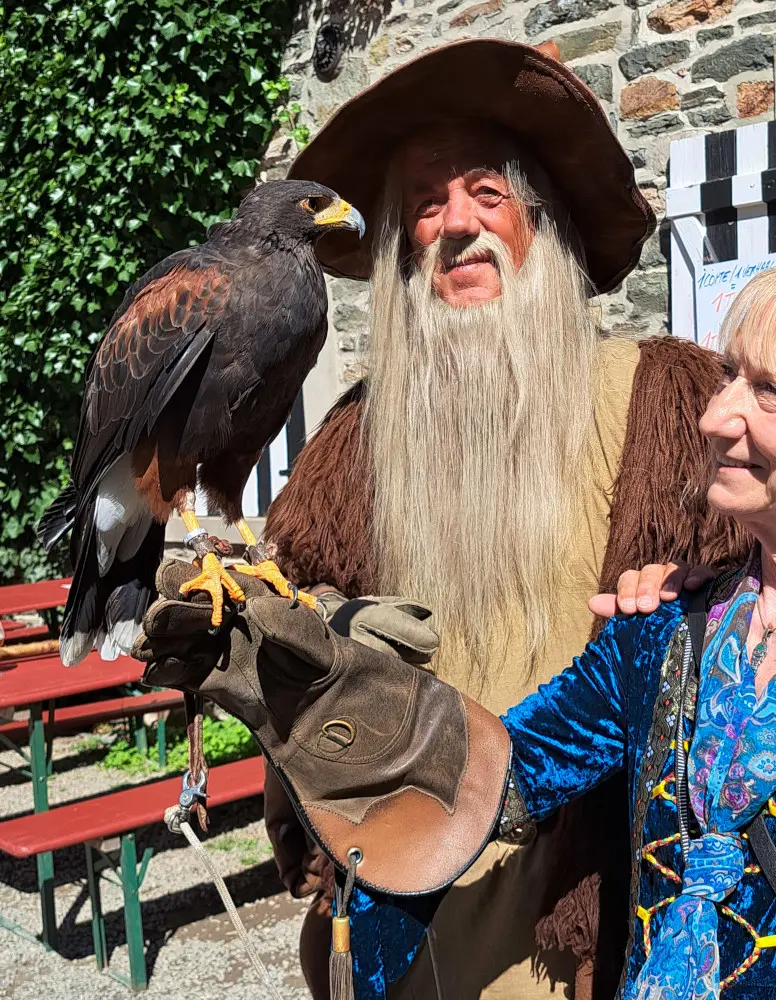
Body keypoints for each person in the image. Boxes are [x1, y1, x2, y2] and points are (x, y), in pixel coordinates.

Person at [136, 244, 776, 999]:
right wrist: (314, 688)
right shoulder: (665, 630)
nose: (716, 414)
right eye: (730, 373)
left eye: (770, 392)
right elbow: (492, 773)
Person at [256, 36, 745, 1000]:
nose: (455, 226)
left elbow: (757, 624)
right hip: (405, 895)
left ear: (546, 221)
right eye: (426, 204)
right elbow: (294, 644)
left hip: (591, 905)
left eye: (488, 193)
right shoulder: (352, 440)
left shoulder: (666, 400)